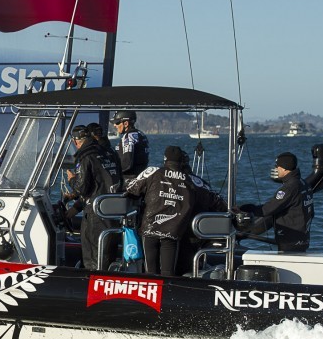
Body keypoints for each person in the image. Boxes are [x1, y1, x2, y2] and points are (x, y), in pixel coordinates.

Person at [126, 146, 226, 276]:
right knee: (168, 271)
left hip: (149, 228)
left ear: (165, 159)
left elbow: (131, 187)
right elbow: (214, 198)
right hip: (172, 231)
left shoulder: (153, 172)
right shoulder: (192, 180)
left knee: (150, 269)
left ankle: (150, 291)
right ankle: (168, 291)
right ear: (182, 161)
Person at [238, 152, 314, 252]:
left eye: (277, 166)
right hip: (302, 238)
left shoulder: (289, 188)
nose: (276, 169)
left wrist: (244, 209)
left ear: (284, 168)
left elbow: (267, 210)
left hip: (290, 241)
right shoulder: (303, 183)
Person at [71, 124, 121, 270]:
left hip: (95, 211)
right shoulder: (110, 152)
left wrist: (71, 179)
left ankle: (92, 279)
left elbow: (82, 187)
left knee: (92, 252)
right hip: (114, 208)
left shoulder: (85, 156)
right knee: (108, 250)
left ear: (75, 141)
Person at [112, 110, 150, 179]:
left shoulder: (129, 137)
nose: (114, 125)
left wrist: (112, 172)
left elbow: (127, 164)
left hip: (129, 179)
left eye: (117, 123)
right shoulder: (140, 134)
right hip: (140, 177)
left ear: (126, 123)